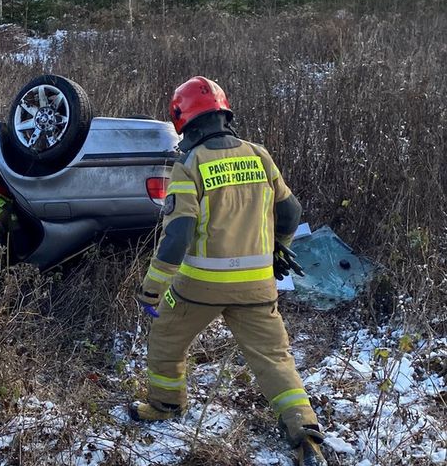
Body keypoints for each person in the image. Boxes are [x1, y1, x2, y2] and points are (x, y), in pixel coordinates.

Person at [132, 76, 327, 466]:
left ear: (182, 120)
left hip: (198, 288)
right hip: (257, 287)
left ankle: (166, 405)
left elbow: (178, 235)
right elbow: (291, 211)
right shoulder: (259, 155)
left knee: (167, 339)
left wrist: (152, 288)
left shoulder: (189, 165)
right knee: (274, 359)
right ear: (224, 113)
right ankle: (304, 432)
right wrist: (279, 250)